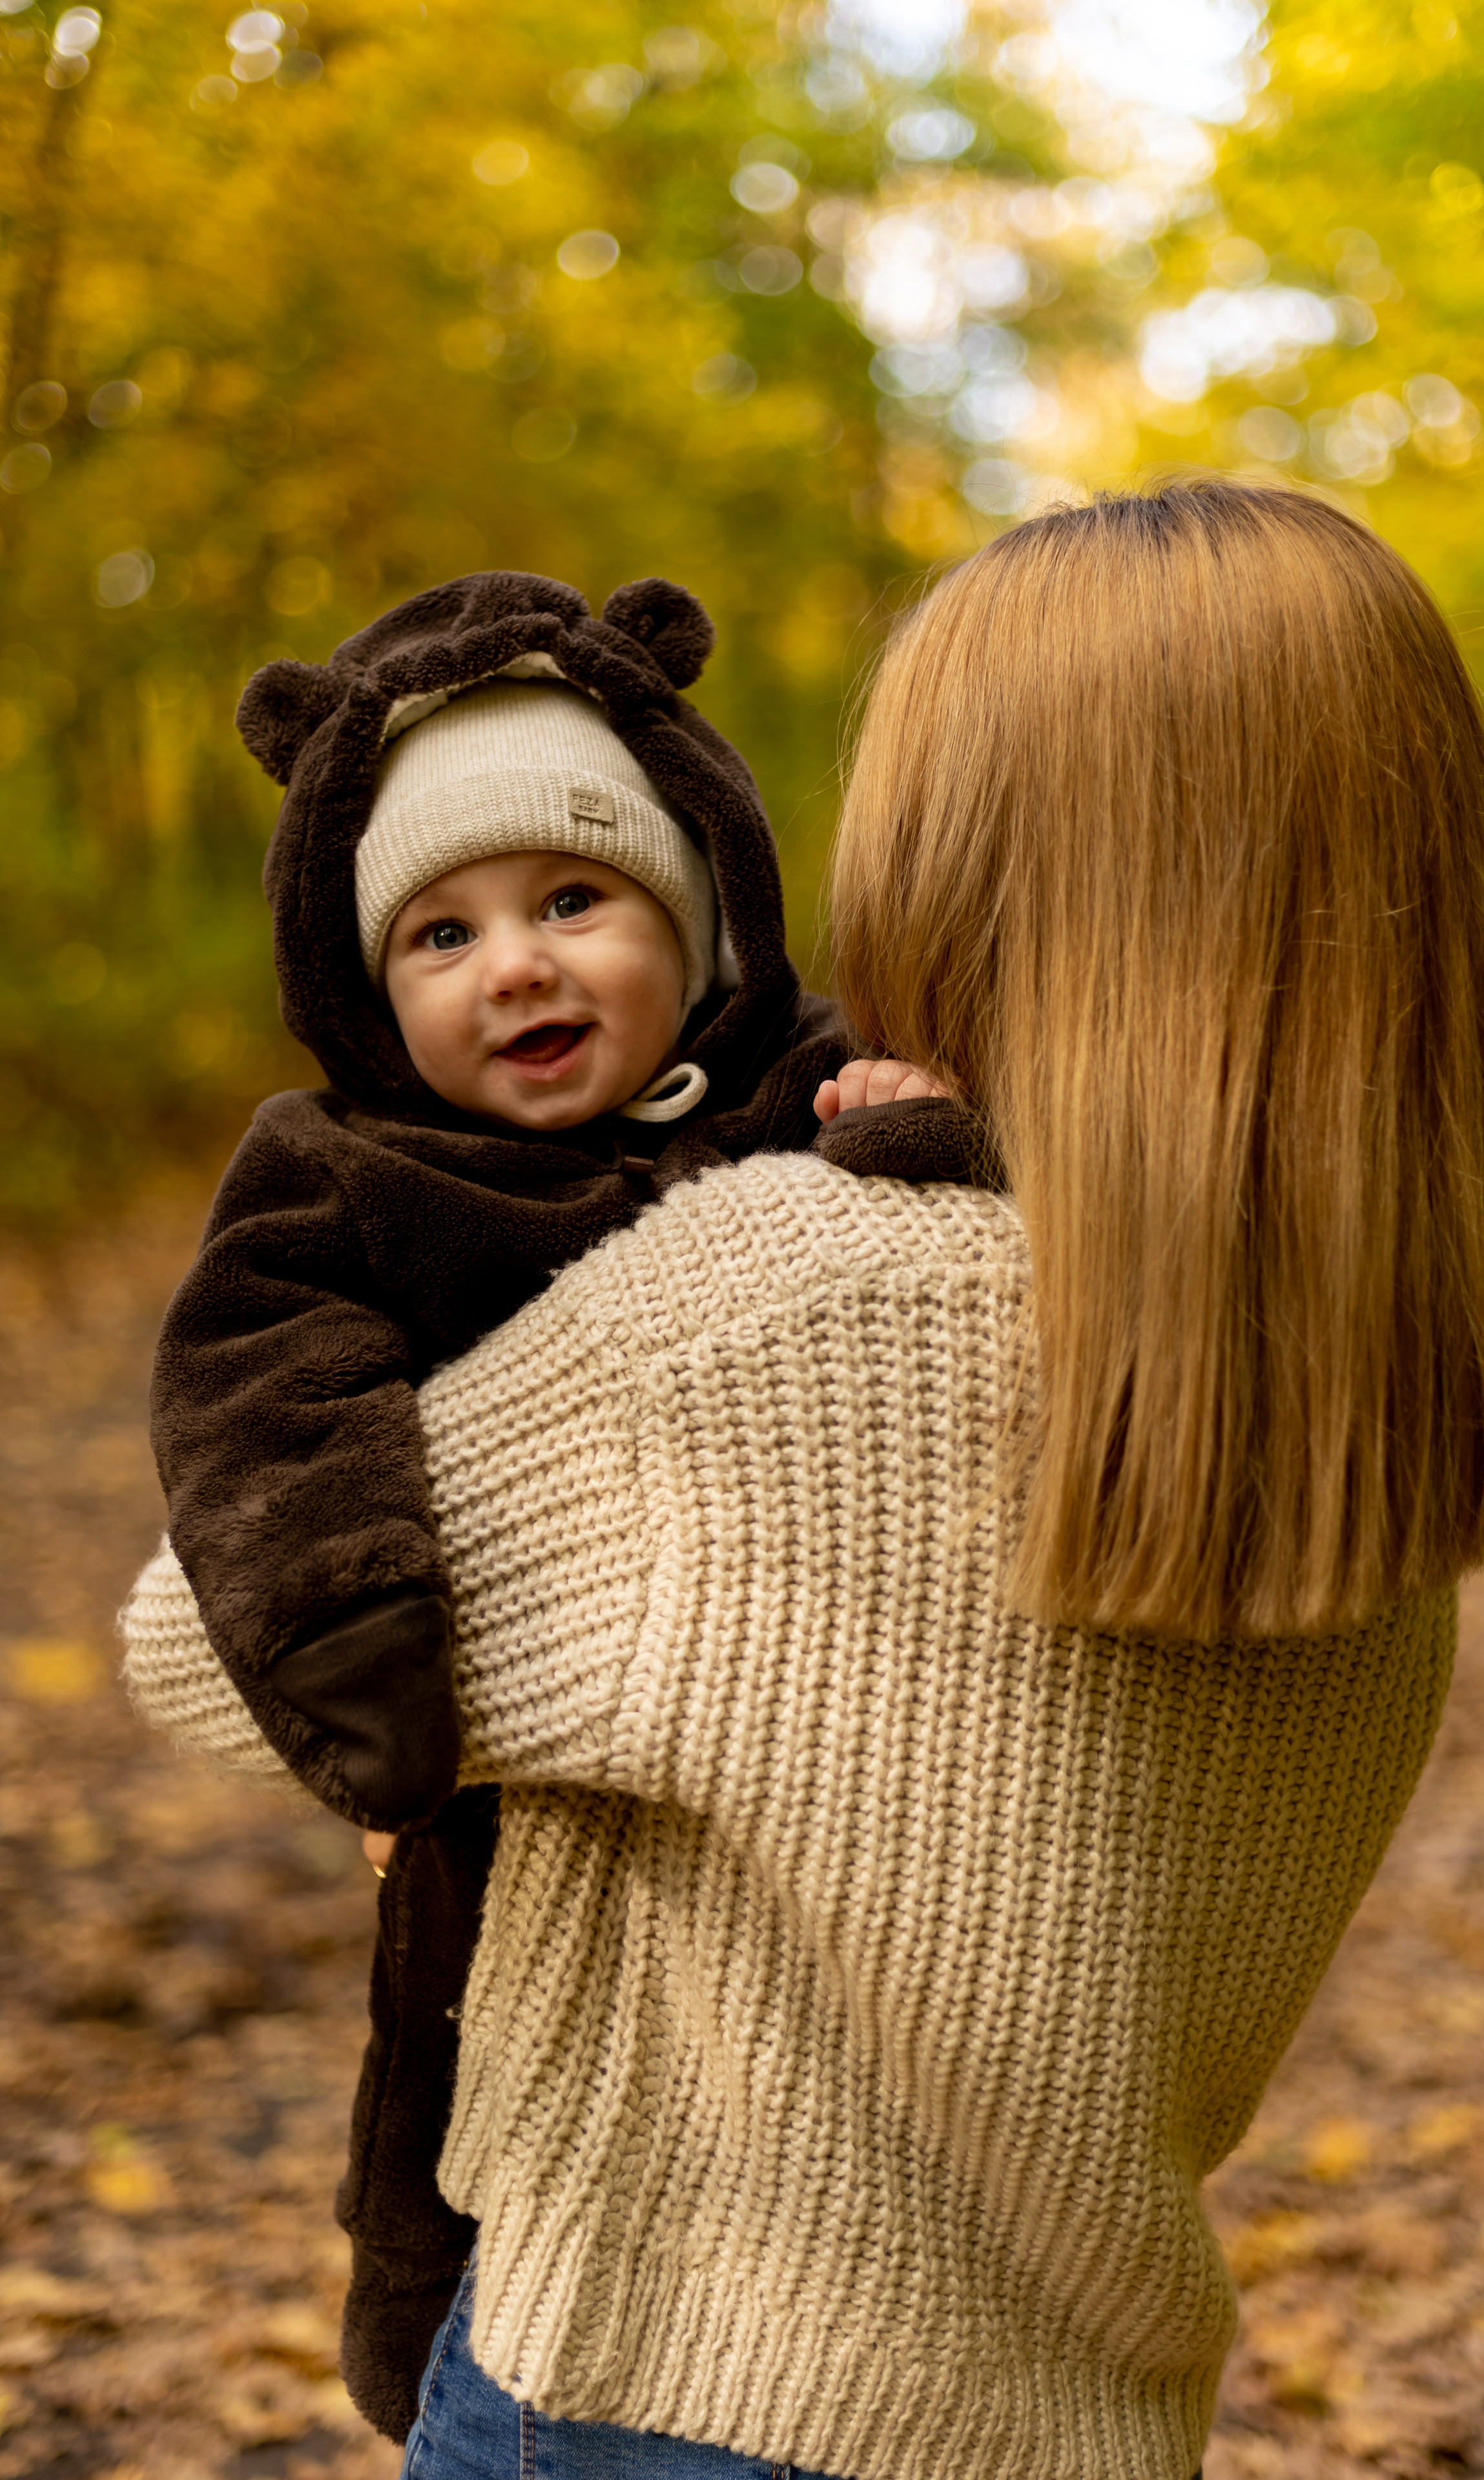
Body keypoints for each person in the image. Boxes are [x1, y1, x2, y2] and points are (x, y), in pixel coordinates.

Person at [124, 480, 1484, 2480]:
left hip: (676, 2395)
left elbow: (198, 1641)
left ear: (971, 859)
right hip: (1089, 2408)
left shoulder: (787, 1312)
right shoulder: (1388, 1377)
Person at [141, 564, 938, 2435]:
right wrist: (359, 1643)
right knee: (466, 2076)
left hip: (800, 1765)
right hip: (489, 1774)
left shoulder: (791, 1087)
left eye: (574, 899)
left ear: (693, 904)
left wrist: (912, 1124)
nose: (517, 965)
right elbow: (257, 1400)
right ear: (360, 983)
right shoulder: (343, 1179)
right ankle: (456, 2359)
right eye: (440, 935)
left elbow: (953, 1251)